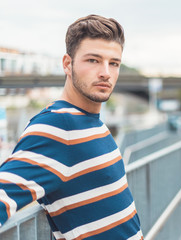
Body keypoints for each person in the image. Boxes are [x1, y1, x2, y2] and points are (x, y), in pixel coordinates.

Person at [0, 15, 143, 240]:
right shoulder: (57, 127)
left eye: (113, 63)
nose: (106, 72)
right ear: (68, 64)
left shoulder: (93, 123)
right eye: (93, 60)